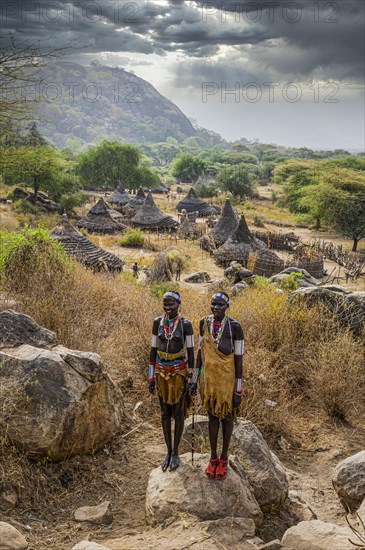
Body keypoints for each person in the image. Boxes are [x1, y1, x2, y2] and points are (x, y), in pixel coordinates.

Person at [190, 292, 244, 479]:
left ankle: (224, 457)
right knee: (212, 417)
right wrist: (194, 380)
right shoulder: (204, 323)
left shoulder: (235, 327)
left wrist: (238, 390)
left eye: (220, 305)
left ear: (227, 306)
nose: (215, 308)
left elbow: (239, 360)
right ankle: (213, 457)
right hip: (210, 381)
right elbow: (199, 354)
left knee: (227, 418)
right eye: (213, 304)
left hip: (227, 382)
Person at [148, 290, 194, 471]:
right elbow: (152, 350)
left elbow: (191, 353)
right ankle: (168, 451)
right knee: (165, 413)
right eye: (165, 304)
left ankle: (176, 452)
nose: (167, 307)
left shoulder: (185, 325)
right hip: (161, 372)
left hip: (179, 373)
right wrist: (151, 376)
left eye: (171, 304)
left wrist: (191, 379)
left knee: (179, 412)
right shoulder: (157, 323)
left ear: (178, 305)